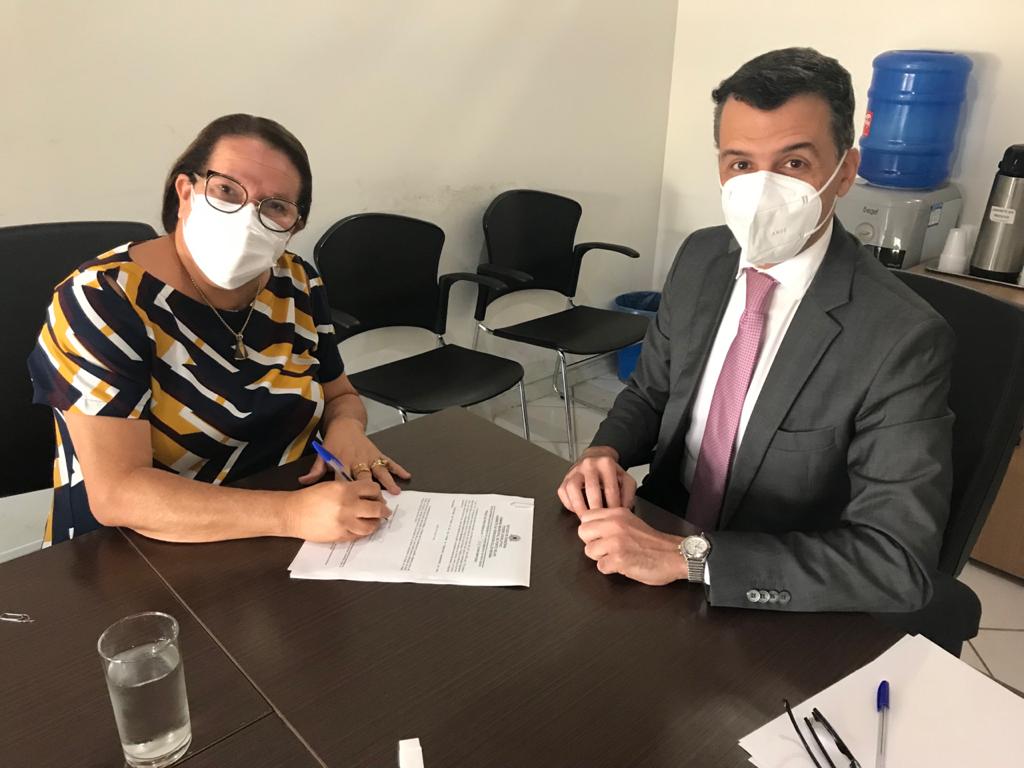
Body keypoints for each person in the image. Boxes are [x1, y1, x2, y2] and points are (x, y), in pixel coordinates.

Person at [557, 48, 957, 617]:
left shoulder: (901, 337)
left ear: (845, 172)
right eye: (741, 164)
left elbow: (898, 564)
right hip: (659, 534)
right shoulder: (701, 257)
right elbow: (650, 392)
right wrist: (605, 453)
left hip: (777, 590)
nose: (763, 190)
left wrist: (691, 559)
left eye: (794, 163)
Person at [29, 114, 409, 546]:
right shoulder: (101, 299)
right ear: (185, 192)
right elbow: (118, 493)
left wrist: (347, 429)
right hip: (136, 550)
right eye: (227, 190)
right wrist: (289, 514)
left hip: (292, 527)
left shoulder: (298, 281)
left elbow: (340, 395)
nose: (248, 218)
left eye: (276, 206)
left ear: (294, 226)